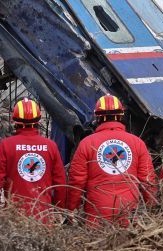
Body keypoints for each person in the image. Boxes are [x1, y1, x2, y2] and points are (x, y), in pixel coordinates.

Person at [66, 95, 156, 227]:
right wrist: (152, 207)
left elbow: (76, 181)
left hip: (96, 215)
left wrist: (71, 208)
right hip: (129, 214)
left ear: (97, 118)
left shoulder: (86, 143)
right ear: (121, 116)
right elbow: (147, 180)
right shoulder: (137, 143)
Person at [0, 98, 66, 222]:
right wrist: (59, 210)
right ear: (39, 120)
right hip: (44, 217)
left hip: (15, 217)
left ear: (14, 121)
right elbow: (60, 184)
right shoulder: (50, 146)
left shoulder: (6, 145)